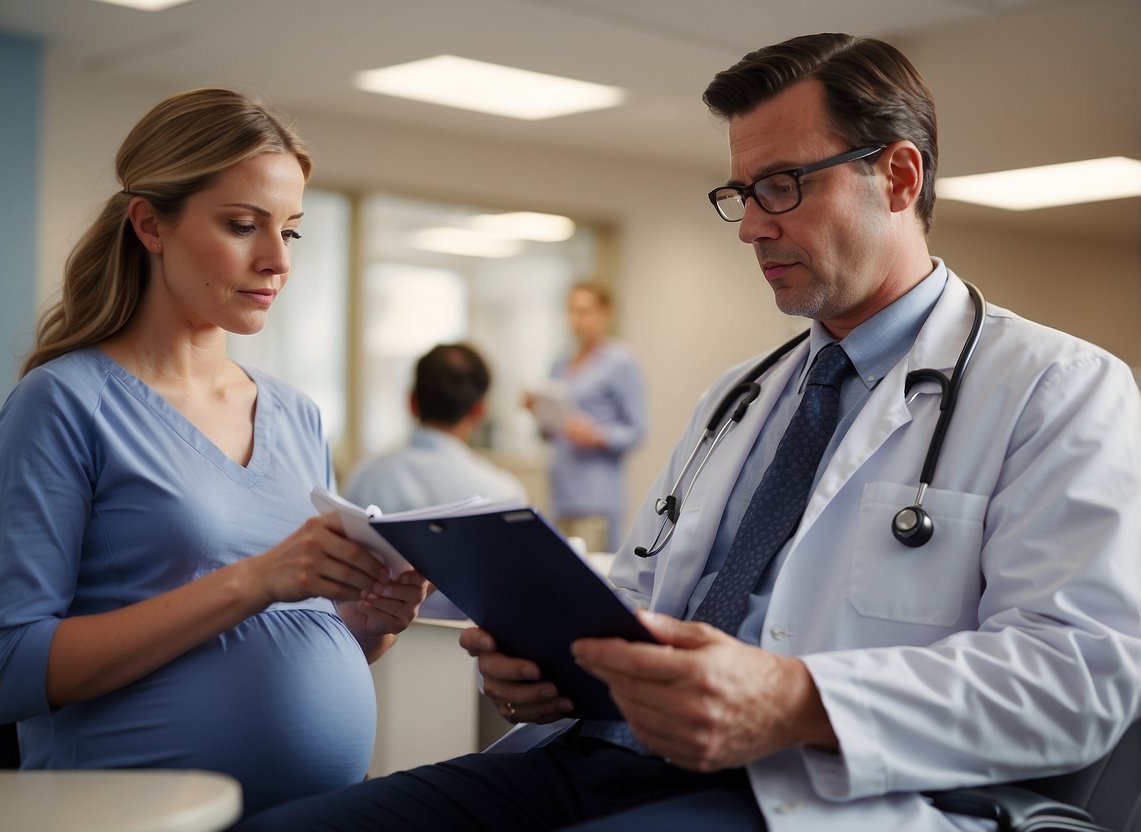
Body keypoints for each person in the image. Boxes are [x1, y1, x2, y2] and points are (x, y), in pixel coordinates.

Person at [233, 33, 1141, 832]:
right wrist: (552, 663)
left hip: (814, 793)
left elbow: (1079, 680)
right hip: (596, 753)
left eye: (782, 186)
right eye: (741, 192)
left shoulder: (1058, 390)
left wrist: (796, 699)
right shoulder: (742, 396)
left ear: (898, 176)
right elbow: (644, 591)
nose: (750, 226)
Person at [0, 88, 429, 819]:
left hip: (314, 808)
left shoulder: (297, 415)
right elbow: (3, 672)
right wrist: (256, 579)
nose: (277, 260)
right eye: (244, 225)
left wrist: (367, 625)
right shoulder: (63, 403)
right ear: (150, 224)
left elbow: (273, 641)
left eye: (292, 232)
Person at [344, 342, 528, 618]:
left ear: (411, 402)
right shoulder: (505, 493)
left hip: (376, 653)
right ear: (479, 410)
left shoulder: (364, 477)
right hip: (465, 655)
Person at [536, 282, 646, 552]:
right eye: (572, 311)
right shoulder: (561, 362)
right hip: (562, 492)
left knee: (592, 578)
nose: (576, 320)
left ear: (605, 313)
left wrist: (598, 436)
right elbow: (549, 430)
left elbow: (637, 430)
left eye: (584, 312)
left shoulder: (620, 361)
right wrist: (538, 409)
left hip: (597, 498)